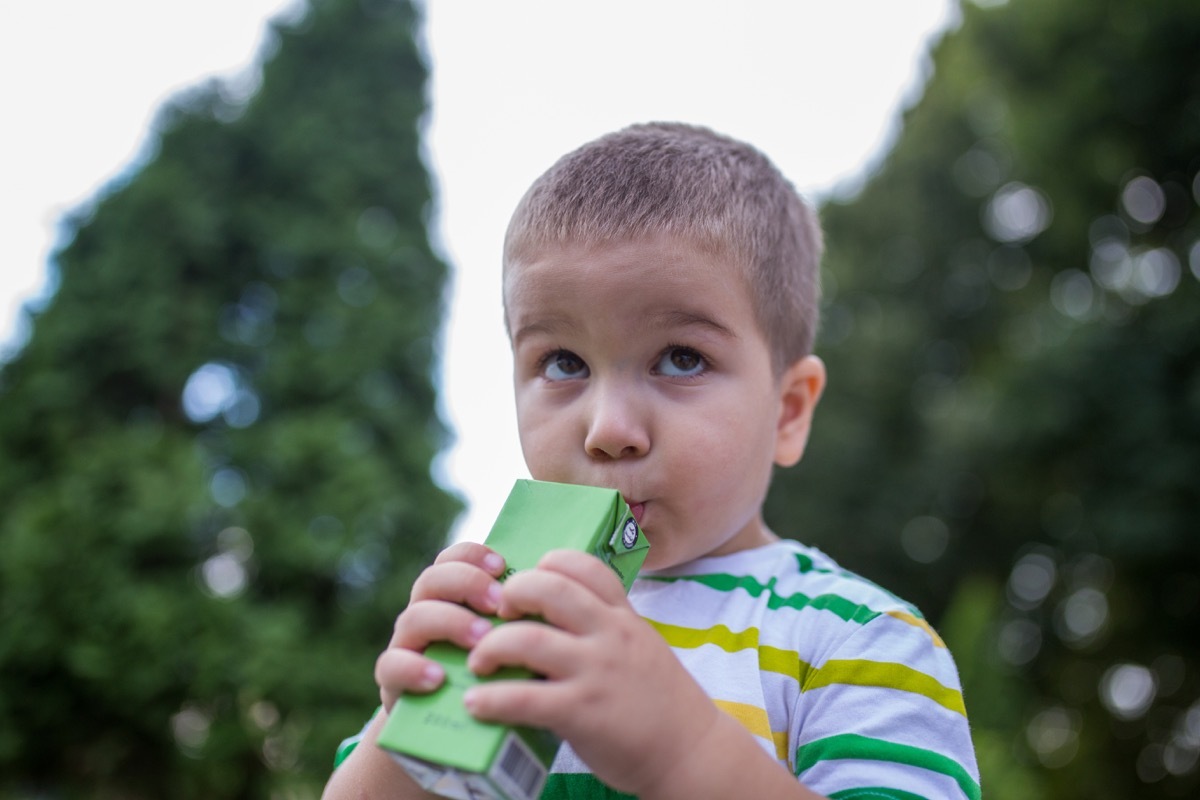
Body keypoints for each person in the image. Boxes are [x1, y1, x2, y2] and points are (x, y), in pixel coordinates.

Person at [322, 122, 980, 800]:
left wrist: (681, 750)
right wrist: (402, 745)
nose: (609, 429)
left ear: (787, 411)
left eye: (681, 358)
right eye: (563, 362)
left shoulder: (861, 643)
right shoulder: (503, 622)